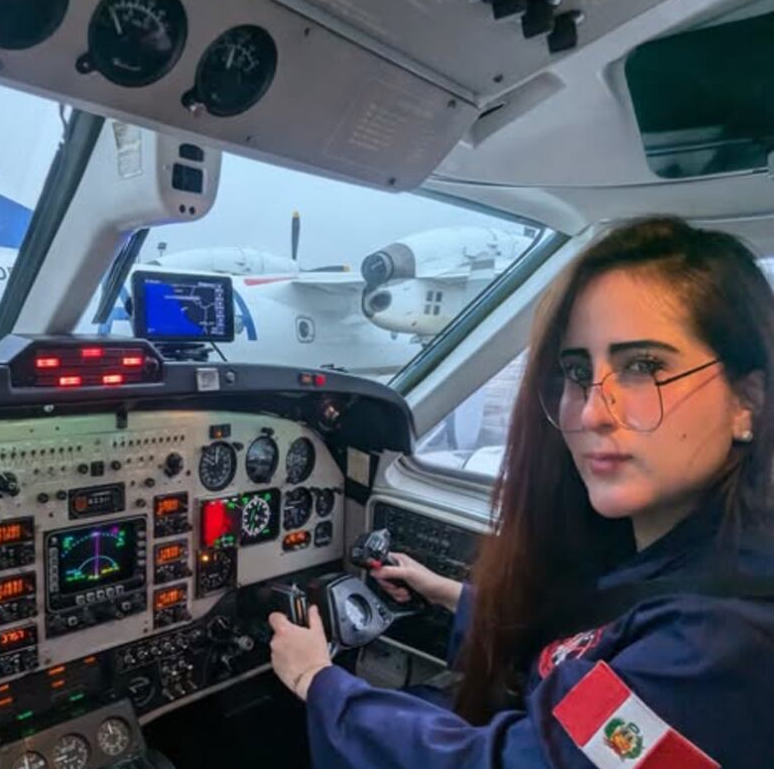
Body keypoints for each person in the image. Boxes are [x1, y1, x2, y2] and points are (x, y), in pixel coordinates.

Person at [268, 217, 774, 767]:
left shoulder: (720, 647)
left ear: (747, 400)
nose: (589, 411)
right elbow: (585, 652)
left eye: (644, 366)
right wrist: (448, 593)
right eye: (578, 373)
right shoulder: (683, 560)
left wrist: (318, 681)